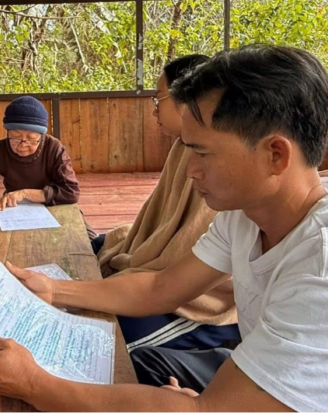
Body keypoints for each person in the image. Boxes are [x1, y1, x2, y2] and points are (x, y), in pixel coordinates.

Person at [0, 45, 328, 412]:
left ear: (276, 156)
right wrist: (53, 290)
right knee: (135, 367)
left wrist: (33, 385)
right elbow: (161, 289)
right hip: (264, 373)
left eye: (203, 153)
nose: (190, 170)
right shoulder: (248, 213)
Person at [95, 55, 240, 353]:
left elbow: (187, 261)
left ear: (187, 101)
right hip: (169, 283)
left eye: (158, 98)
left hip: (207, 304)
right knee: (99, 246)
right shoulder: (182, 147)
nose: (154, 110)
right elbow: (164, 220)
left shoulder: (221, 159)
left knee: (111, 340)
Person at [0, 96, 95, 239]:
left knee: (91, 244)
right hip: (15, 211)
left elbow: (71, 192)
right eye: (15, 137)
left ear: (41, 135)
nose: (22, 144)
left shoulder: (54, 148)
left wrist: (25, 193)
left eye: (31, 138)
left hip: (56, 207)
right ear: (7, 133)